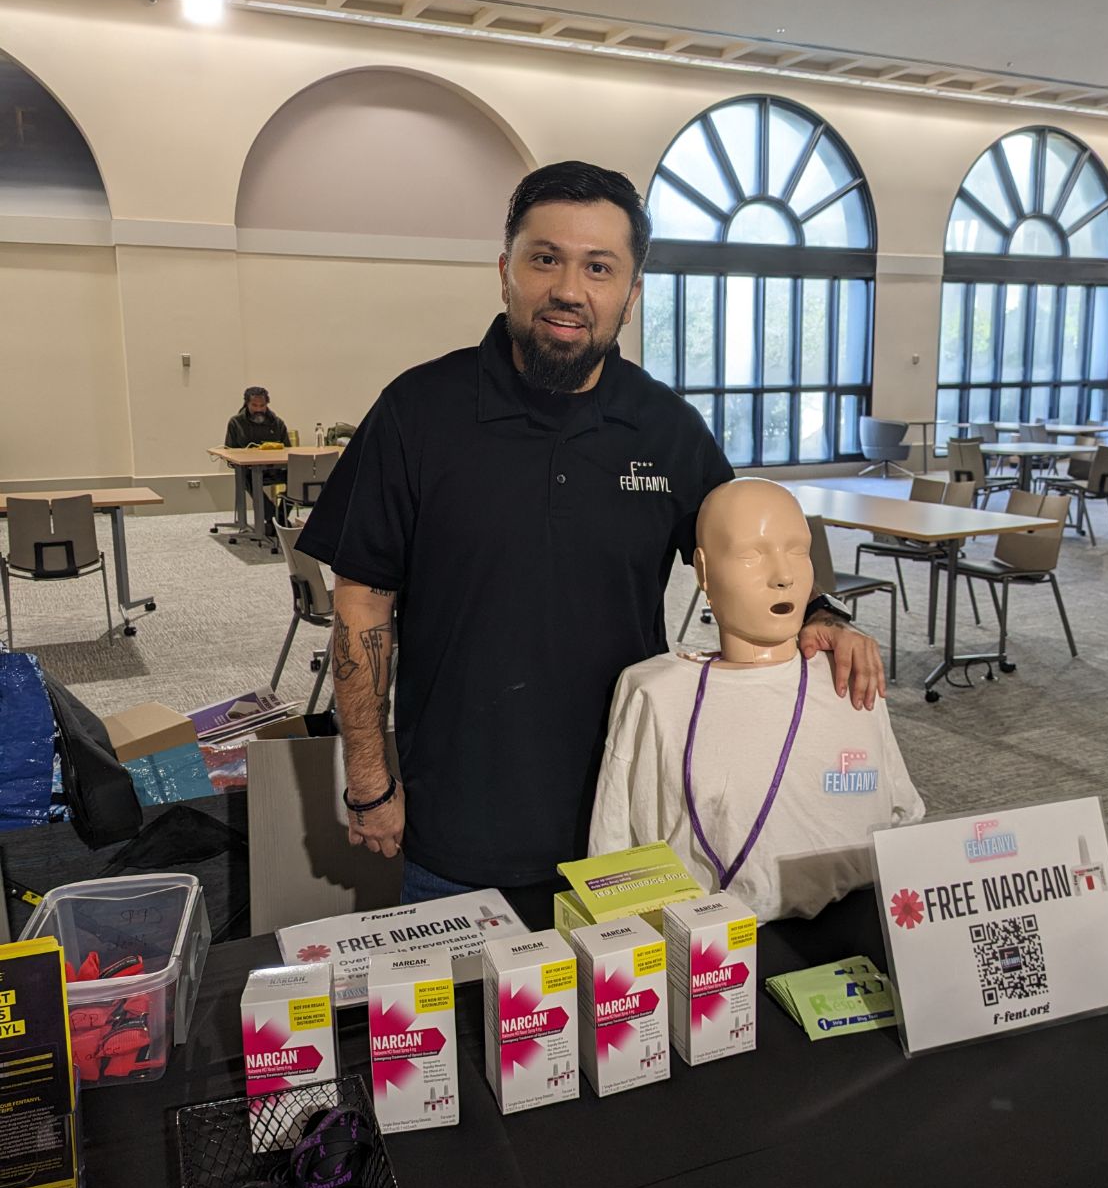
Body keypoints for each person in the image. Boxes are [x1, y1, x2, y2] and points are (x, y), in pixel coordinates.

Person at [296, 161, 886, 905]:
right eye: (545, 258)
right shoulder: (417, 411)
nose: (570, 290)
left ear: (631, 296)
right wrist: (368, 776)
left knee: (626, 987)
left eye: (599, 268)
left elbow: (750, 544)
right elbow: (362, 604)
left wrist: (823, 614)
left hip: (633, 813)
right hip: (458, 821)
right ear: (505, 272)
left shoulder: (667, 428)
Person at [589, 478, 923, 922]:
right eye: (751, 554)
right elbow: (613, 848)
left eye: (798, 551)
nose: (783, 576)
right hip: (712, 939)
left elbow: (902, 819)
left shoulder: (847, 675)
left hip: (858, 920)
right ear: (703, 572)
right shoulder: (656, 692)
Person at [224, 385, 290, 534]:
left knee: (296, 477)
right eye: (254, 405)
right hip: (249, 470)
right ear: (247, 404)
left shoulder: (277, 422)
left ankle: (279, 517)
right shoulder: (236, 422)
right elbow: (229, 451)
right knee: (248, 478)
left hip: (275, 469)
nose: (258, 409)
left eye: (262, 405)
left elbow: (288, 450)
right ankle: (275, 518)